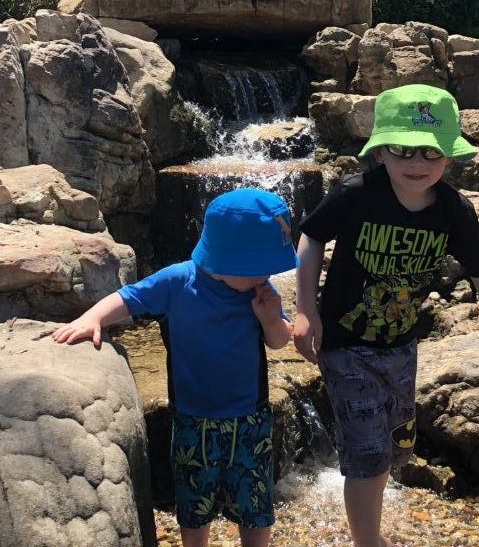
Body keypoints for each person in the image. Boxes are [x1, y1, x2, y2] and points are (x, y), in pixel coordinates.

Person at [292, 84, 479, 547]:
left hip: (402, 348)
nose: (417, 163)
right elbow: (310, 240)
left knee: (391, 449)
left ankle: (372, 531)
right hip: (346, 347)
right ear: (381, 150)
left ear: (448, 155)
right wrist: (306, 310)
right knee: (367, 453)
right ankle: (366, 541)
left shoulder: (452, 210)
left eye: (431, 151)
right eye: (403, 149)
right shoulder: (355, 194)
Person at [53, 188, 298, 547]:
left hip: (251, 419)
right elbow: (129, 298)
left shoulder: (260, 292)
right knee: (194, 504)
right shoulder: (177, 282)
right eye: (259, 266)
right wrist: (94, 318)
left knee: (255, 503)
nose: (266, 274)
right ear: (228, 259)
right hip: (192, 421)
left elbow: (279, 340)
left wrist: (271, 318)